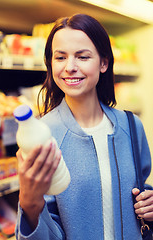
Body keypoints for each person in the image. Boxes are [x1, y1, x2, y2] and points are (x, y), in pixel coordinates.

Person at [15, 14, 153, 240]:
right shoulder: (43, 136)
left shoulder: (131, 126)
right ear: (50, 63)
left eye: (82, 56)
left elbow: (141, 189)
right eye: (60, 57)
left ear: (103, 63)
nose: (70, 67)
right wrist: (30, 205)